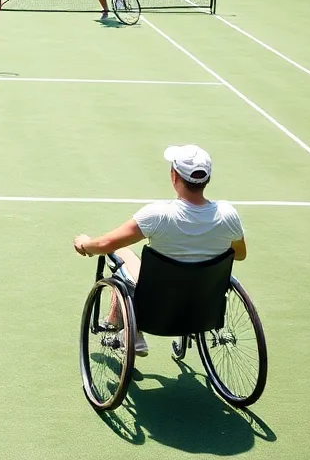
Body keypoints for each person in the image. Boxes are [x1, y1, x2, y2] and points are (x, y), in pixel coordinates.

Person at [73, 145, 246, 355]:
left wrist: (84, 244)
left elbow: (104, 245)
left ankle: (129, 330)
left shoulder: (157, 214)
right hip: (203, 306)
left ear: (174, 175)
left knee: (122, 252)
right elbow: (240, 254)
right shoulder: (228, 214)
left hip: (157, 308)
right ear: (206, 179)